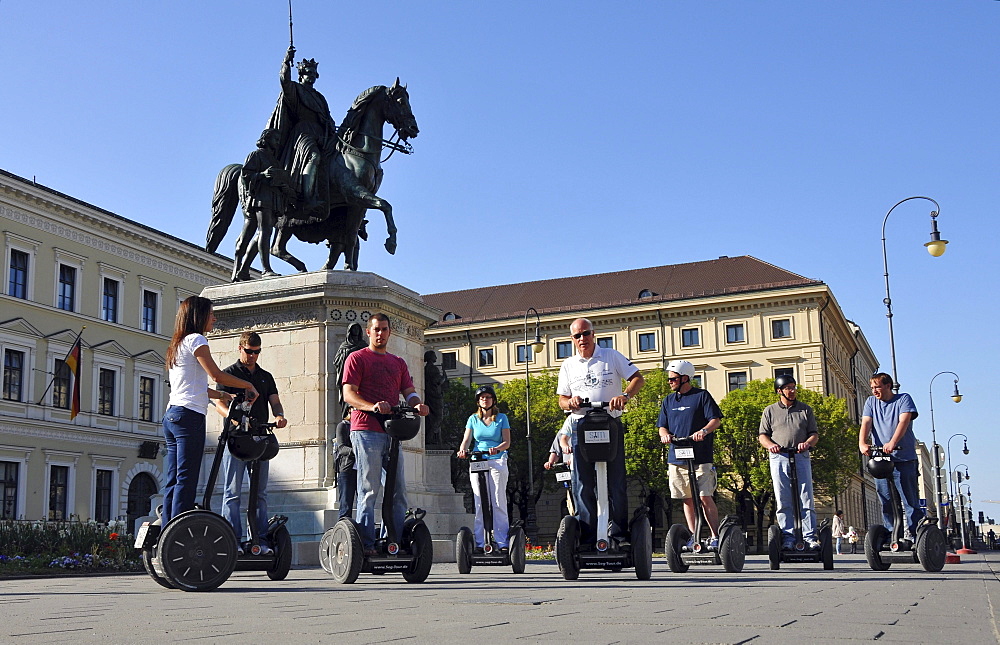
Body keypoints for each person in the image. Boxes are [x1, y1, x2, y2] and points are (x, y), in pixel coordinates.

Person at [162, 296, 258, 526]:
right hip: (189, 417)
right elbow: (216, 375)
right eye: (211, 314)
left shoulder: (177, 344)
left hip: (172, 414)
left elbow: (192, 385)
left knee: (173, 478)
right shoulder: (197, 340)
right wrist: (247, 385)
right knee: (187, 478)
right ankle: (179, 531)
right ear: (199, 316)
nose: (214, 318)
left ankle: (167, 529)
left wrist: (221, 395)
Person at [341, 313, 430, 554]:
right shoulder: (357, 358)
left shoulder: (397, 362)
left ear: (390, 332)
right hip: (366, 429)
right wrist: (372, 406)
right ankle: (367, 544)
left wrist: (417, 404)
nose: (380, 334)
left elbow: (409, 391)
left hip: (392, 432)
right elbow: (349, 394)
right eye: (376, 329)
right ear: (368, 332)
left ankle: (393, 540)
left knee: (398, 491)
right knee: (369, 490)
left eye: (384, 329)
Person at [557, 318, 644, 548]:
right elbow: (561, 400)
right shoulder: (568, 365)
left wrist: (624, 396)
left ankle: (618, 535)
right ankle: (586, 536)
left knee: (616, 482)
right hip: (581, 426)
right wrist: (570, 402)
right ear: (572, 339)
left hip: (609, 422)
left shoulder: (610, 356)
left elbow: (638, 378)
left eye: (585, 333)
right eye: (577, 336)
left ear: (593, 334)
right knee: (582, 482)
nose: (582, 339)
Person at [213, 331, 286, 555]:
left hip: (259, 437)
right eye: (249, 352)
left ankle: (260, 539)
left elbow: (274, 401)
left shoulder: (265, 376)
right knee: (232, 492)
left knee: (260, 492)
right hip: (236, 438)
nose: (253, 356)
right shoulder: (229, 374)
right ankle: (233, 539)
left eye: (257, 352)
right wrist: (232, 416)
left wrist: (279, 415)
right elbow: (218, 402)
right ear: (240, 348)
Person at [657, 359, 723, 549]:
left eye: (673, 379)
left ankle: (714, 536)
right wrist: (665, 436)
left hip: (700, 456)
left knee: (704, 496)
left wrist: (703, 431)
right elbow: (662, 425)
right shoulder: (668, 400)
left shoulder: (702, 396)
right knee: (687, 498)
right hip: (677, 457)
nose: (670, 382)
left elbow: (715, 420)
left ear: (685, 378)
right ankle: (694, 537)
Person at [267, 45, 339, 216]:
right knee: (314, 157)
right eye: (308, 73)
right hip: (303, 134)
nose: (311, 76)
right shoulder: (295, 89)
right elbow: (284, 81)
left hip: (322, 135)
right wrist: (286, 61)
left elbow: (328, 118)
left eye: (314, 74)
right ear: (301, 74)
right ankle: (307, 199)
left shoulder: (320, 97)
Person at [758, 375, 820, 550]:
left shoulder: (805, 410)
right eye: (788, 388)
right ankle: (788, 537)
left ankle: (810, 537)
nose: (792, 391)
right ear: (780, 391)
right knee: (783, 498)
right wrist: (771, 446)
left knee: (805, 497)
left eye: (794, 387)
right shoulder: (769, 411)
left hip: (801, 455)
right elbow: (763, 435)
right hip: (779, 457)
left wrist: (807, 443)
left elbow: (814, 434)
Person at [859, 372, 923, 541]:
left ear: (888, 386)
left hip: (904, 459)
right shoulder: (871, 402)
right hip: (881, 460)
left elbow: (904, 421)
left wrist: (893, 442)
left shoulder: (903, 399)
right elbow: (866, 423)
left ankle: (915, 536)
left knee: (909, 501)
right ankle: (892, 536)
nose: (874, 391)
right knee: (886, 501)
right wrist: (862, 443)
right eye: (872, 388)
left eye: (877, 387)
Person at [231, 128, 295, 281]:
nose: (277, 142)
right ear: (266, 139)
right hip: (261, 198)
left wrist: (284, 187)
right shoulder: (257, 155)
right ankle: (266, 269)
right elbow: (245, 174)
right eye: (275, 139)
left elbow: (278, 179)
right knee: (265, 232)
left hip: (272, 199)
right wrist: (262, 175)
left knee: (262, 233)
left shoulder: (275, 160)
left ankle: (243, 270)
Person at [456, 385, 511, 552]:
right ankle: (480, 543)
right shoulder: (473, 419)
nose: (484, 400)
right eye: (481, 398)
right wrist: (462, 450)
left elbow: (507, 442)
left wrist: (498, 448)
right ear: (478, 401)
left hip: (497, 460)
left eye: (487, 397)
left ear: (493, 400)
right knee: (479, 502)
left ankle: (502, 543)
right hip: (478, 460)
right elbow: (466, 439)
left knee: (497, 500)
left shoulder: (501, 418)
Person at [334, 410, 358, 519]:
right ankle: (345, 531)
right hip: (348, 469)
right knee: (346, 504)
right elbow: (341, 448)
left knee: (365, 502)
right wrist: (359, 451)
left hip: (363, 470)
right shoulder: (343, 426)